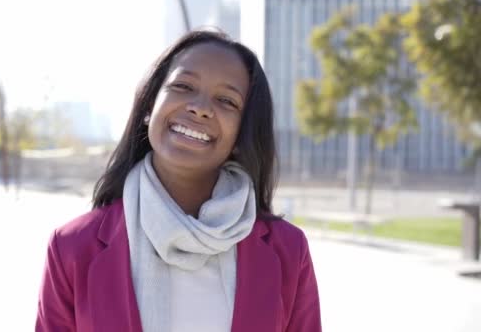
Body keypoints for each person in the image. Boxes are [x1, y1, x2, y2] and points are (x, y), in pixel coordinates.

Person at [35, 29, 322, 332]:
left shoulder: (288, 250)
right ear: (149, 106)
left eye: (227, 100)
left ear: (242, 134)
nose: (199, 108)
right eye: (183, 86)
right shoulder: (73, 247)